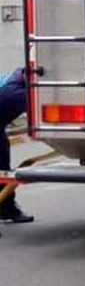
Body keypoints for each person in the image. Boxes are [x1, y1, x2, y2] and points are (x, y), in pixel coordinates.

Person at [0, 68, 33, 224]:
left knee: (2, 168)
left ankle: (6, 209)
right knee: (2, 169)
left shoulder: (16, 74)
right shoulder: (16, 94)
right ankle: (7, 208)